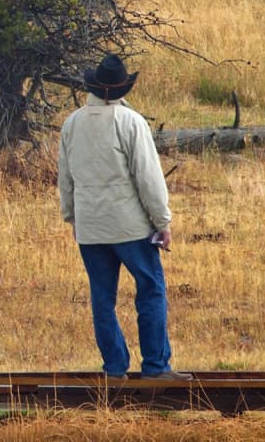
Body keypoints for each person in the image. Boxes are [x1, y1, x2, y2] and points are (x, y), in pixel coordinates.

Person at [57, 54, 192, 381]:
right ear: (120, 88)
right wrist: (162, 221)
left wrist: (72, 218)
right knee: (151, 289)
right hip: (131, 227)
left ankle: (114, 369)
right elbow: (148, 177)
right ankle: (156, 368)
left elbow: (65, 178)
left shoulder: (72, 122)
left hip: (90, 227)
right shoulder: (131, 122)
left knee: (102, 299)